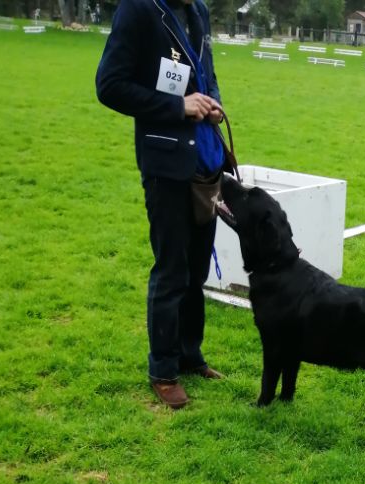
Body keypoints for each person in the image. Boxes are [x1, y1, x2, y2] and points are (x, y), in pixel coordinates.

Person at [95, 0, 226, 409]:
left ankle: (190, 355)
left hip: (205, 162)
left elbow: (206, 73)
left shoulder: (198, 11)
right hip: (165, 164)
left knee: (197, 270)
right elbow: (110, 85)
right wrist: (178, 106)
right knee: (172, 270)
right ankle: (163, 370)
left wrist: (213, 102)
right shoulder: (138, 10)